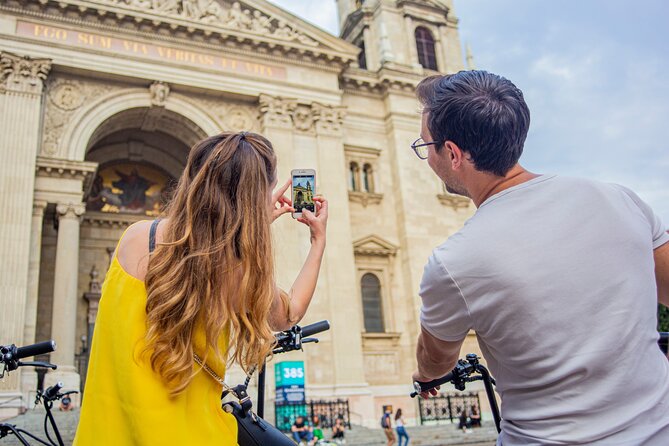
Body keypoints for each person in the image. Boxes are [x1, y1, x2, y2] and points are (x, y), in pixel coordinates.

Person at [410, 70, 669, 444]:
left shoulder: (454, 261)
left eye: (425, 146)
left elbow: (436, 360)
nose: (426, 156)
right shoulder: (619, 198)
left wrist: (424, 373)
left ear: (451, 154)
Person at [73, 132, 329, 445]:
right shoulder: (236, 272)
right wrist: (317, 241)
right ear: (257, 195)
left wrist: (249, 225)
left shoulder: (135, 237)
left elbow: (189, 257)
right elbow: (289, 314)